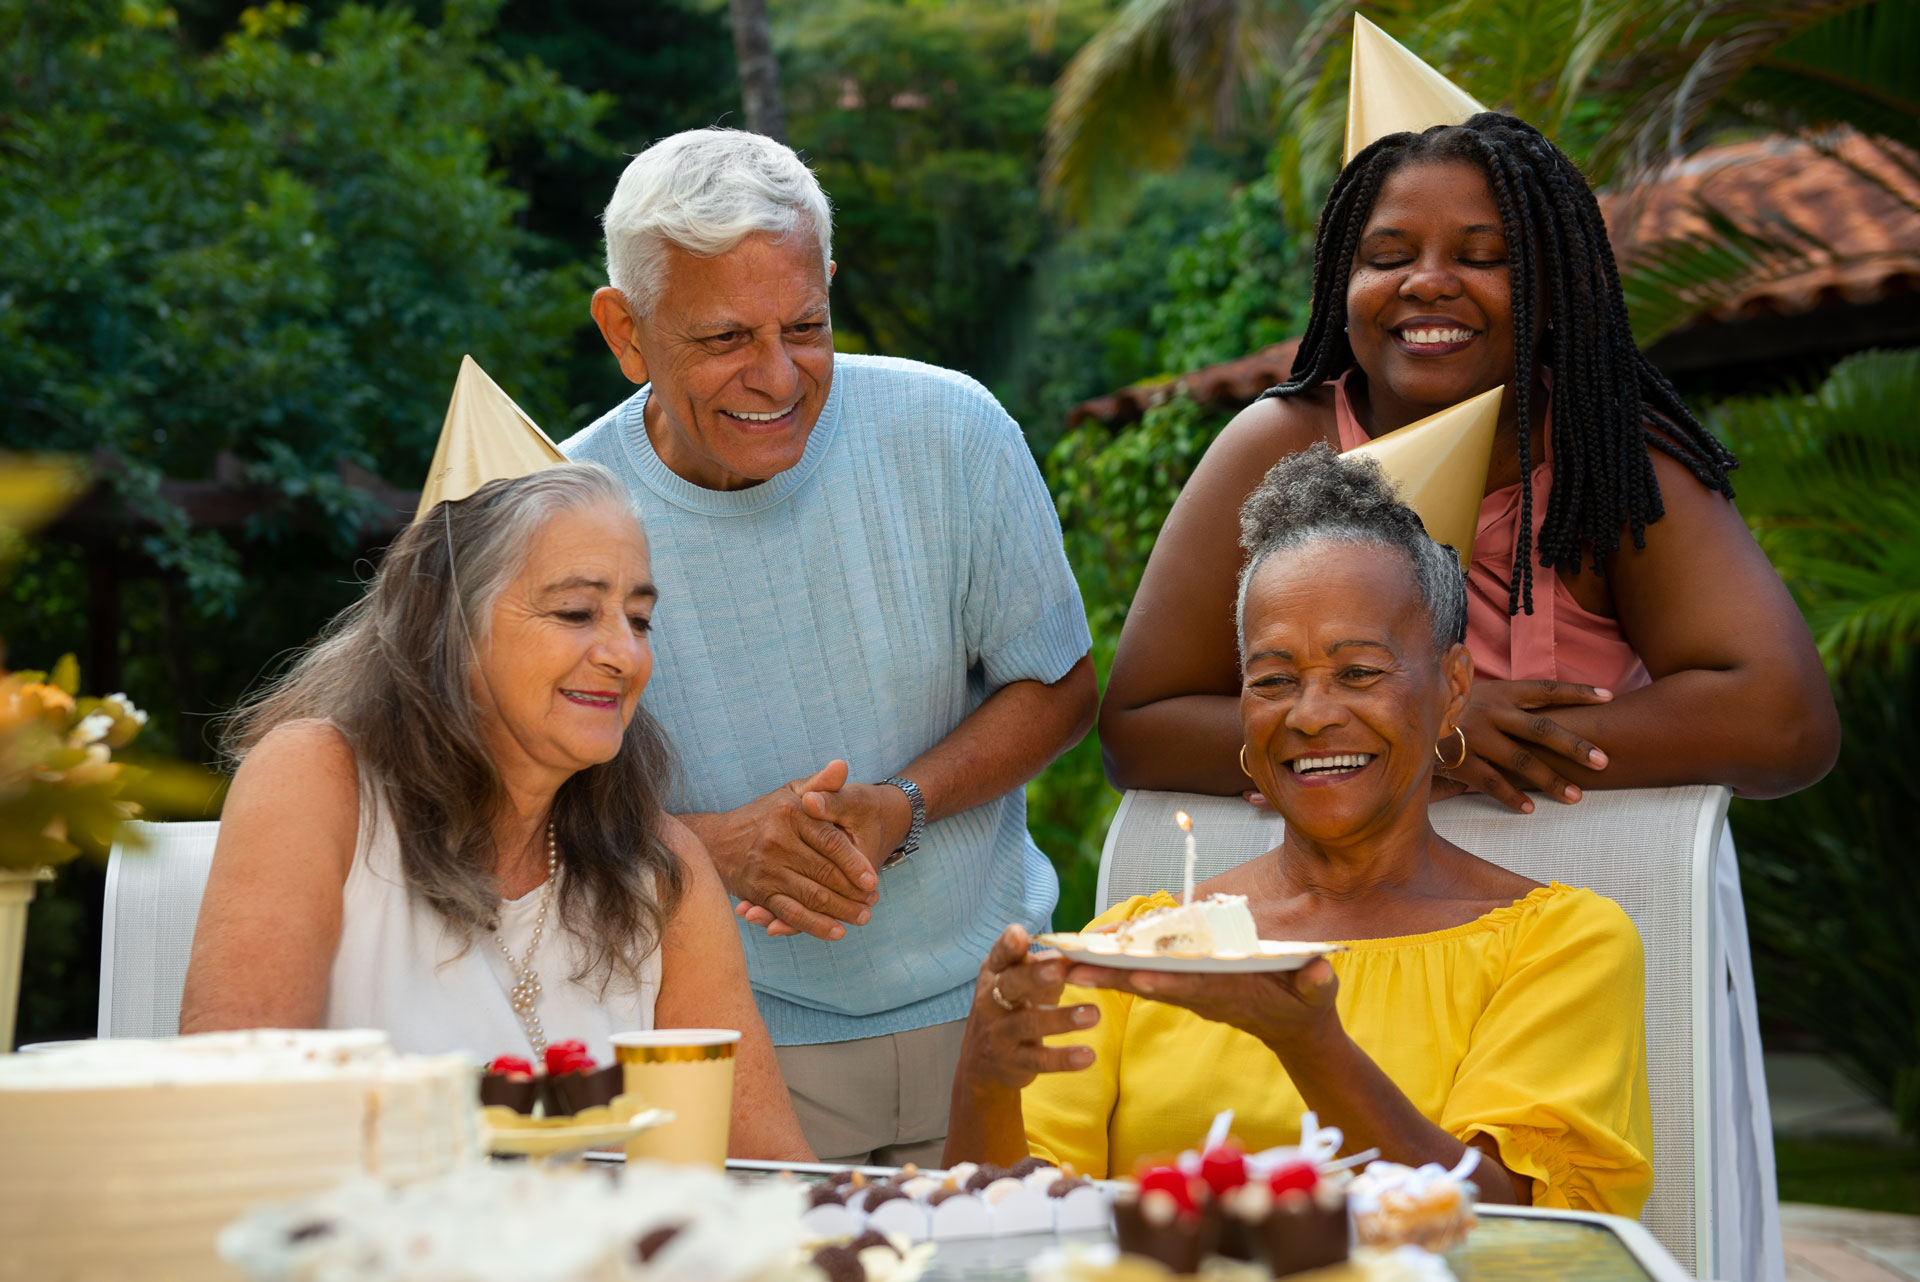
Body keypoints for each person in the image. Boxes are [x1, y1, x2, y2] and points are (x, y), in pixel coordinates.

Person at [1098, 112, 1825, 1282]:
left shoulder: (1605, 450)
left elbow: (1783, 716)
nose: (1429, 281)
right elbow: (1139, 722)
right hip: (1322, 904)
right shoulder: (1277, 442)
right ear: (1341, 284)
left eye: (1483, 255)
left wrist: (1466, 731)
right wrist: (1418, 738)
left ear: (1552, 287)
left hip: (1590, 914)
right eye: (1388, 254)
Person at [564, 127, 1096, 1165]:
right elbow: (510, 807)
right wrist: (709, 849)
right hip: (722, 1047)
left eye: (806, 325)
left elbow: (1061, 688)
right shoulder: (560, 511)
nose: (778, 376)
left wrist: (904, 804)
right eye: (725, 339)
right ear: (627, 332)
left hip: (993, 1020)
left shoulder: (955, 429)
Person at [946, 446, 1653, 1216]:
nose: (1311, 715)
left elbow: (1522, 1235)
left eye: (1359, 673)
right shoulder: (1131, 952)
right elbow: (1001, 1226)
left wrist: (1311, 1047)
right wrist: (982, 1081)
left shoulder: (1558, 944)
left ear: (1453, 688)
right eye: (1275, 680)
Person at [180, 459, 812, 1161]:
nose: (625, 655)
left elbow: (771, 1168)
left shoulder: (662, 866)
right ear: (449, 624)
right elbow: (234, 1117)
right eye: (576, 612)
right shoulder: (316, 778)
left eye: (639, 620)